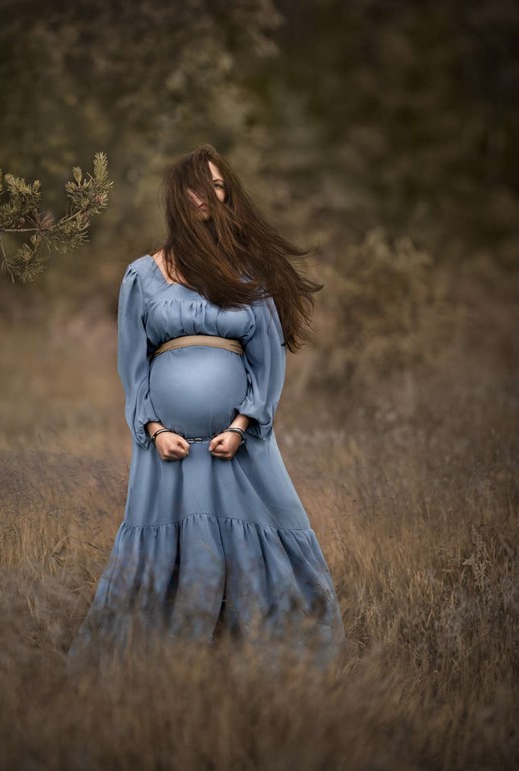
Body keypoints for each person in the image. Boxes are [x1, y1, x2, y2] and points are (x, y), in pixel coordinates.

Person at [67, 144, 345, 670]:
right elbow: (133, 367)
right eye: (199, 186)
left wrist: (242, 424)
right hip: (167, 447)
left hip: (238, 446)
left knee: (265, 526)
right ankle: (157, 661)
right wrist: (152, 427)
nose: (208, 196)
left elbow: (268, 362)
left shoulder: (248, 273)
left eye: (219, 186)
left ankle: (278, 655)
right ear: (178, 196)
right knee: (167, 539)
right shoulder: (142, 276)